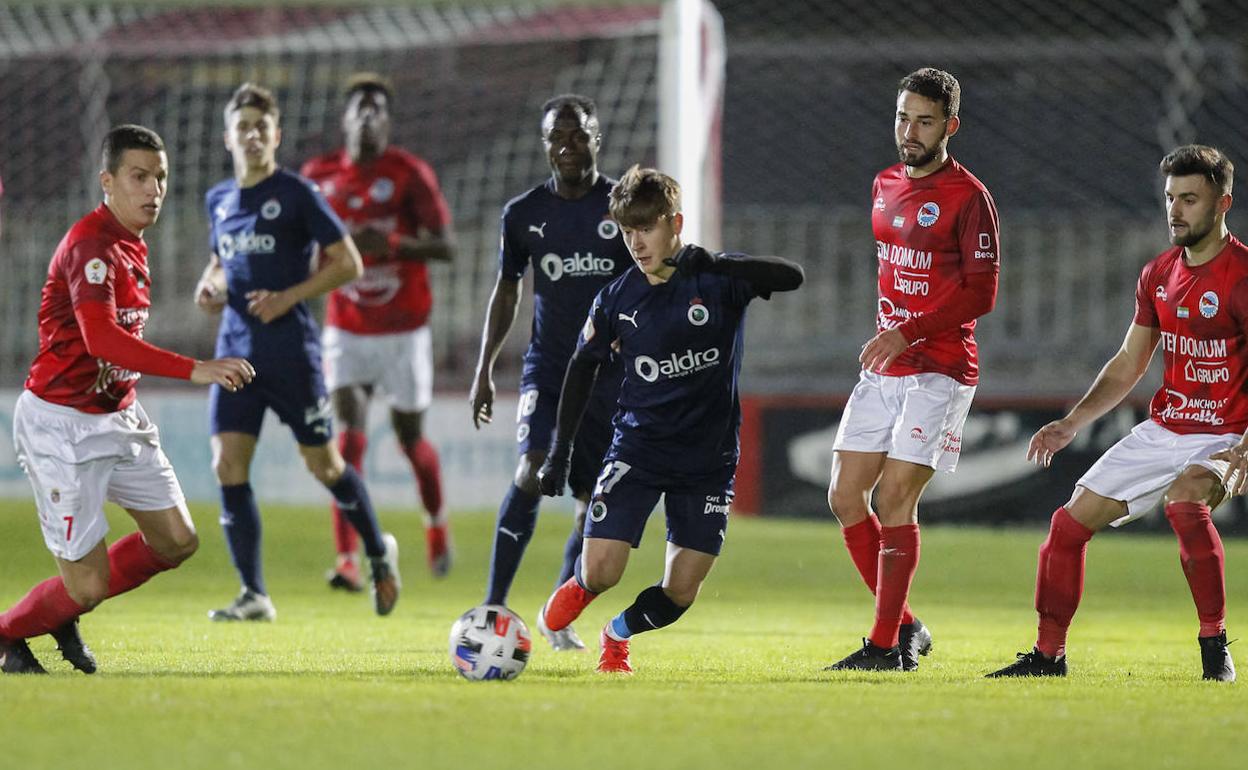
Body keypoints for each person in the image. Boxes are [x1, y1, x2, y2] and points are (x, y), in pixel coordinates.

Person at [0, 125, 255, 674]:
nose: (153, 190)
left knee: (177, 541)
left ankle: (59, 607)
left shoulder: (130, 243)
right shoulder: (91, 246)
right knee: (87, 586)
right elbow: (102, 340)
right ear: (107, 181)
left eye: (160, 178)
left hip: (116, 416)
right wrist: (195, 368)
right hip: (61, 426)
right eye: (139, 177)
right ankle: (9, 633)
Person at [535, 165, 804, 673]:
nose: (635, 242)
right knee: (600, 572)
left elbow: (792, 277)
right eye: (626, 230)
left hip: (708, 461)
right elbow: (581, 369)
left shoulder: (717, 279)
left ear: (674, 223)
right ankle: (547, 621)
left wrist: (721, 264)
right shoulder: (616, 298)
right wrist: (560, 451)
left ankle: (616, 635)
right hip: (639, 449)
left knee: (681, 591)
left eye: (646, 228)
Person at [988, 145, 1241, 681]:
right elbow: (1129, 362)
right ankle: (1048, 656)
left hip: (1227, 431)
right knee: (1065, 528)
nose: (1175, 210)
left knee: (1184, 505)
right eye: (1171, 198)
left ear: (1223, 204)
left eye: (1190, 199)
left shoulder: (1243, 276)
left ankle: (1214, 647)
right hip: (1165, 427)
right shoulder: (1158, 274)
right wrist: (1071, 422)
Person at [195, 83, 399, 621]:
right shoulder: (217, 199)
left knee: (325, 466)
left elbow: (349, 262)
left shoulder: (298, 193)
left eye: (263, 126)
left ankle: (378, 553)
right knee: (227, 463)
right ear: (228, 137)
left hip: (290, 353)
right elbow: (220, 261)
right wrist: (210, 286)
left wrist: (288, 297)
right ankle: (254, 594)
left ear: (276, 135)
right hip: (234, 352)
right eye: (244, 127)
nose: (253, 134)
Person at [825, 67, 1000, 672]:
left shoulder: (969, 197)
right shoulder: (883, 184)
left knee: (896, 497)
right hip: (887, 367)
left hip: (940, 369)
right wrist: (891, 336)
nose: (910, 130)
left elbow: (982, 295)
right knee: (847, 495)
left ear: (950, 126)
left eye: (924, 120)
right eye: (903, 117)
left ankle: (884, 649)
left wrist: (907, 331)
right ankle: (907, 626)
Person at [469, 94, 632, 651]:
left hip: (611, 376)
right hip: (550, 368)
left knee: (594, 499)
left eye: (578, 135)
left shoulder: (622, 207)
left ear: (596, 138)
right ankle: (492, 604)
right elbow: (507, 289)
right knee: (531, 470)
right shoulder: (522, 214)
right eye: (556, 138)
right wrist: (484, 368)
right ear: (544, 146)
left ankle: (555, 616)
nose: (567, 146)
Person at [301, 73, 454, 591]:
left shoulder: (409, 173)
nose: (368, 116)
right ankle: (347, 559)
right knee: (346, 439)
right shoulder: (317, 175)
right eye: (359, 108)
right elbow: (304, 247)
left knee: (411, 441)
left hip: (405, 330)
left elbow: (445, 245)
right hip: (346, 328)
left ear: (388, 120)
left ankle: (435, 524)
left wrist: (388, 242)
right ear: (344, 118)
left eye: (377, 109)